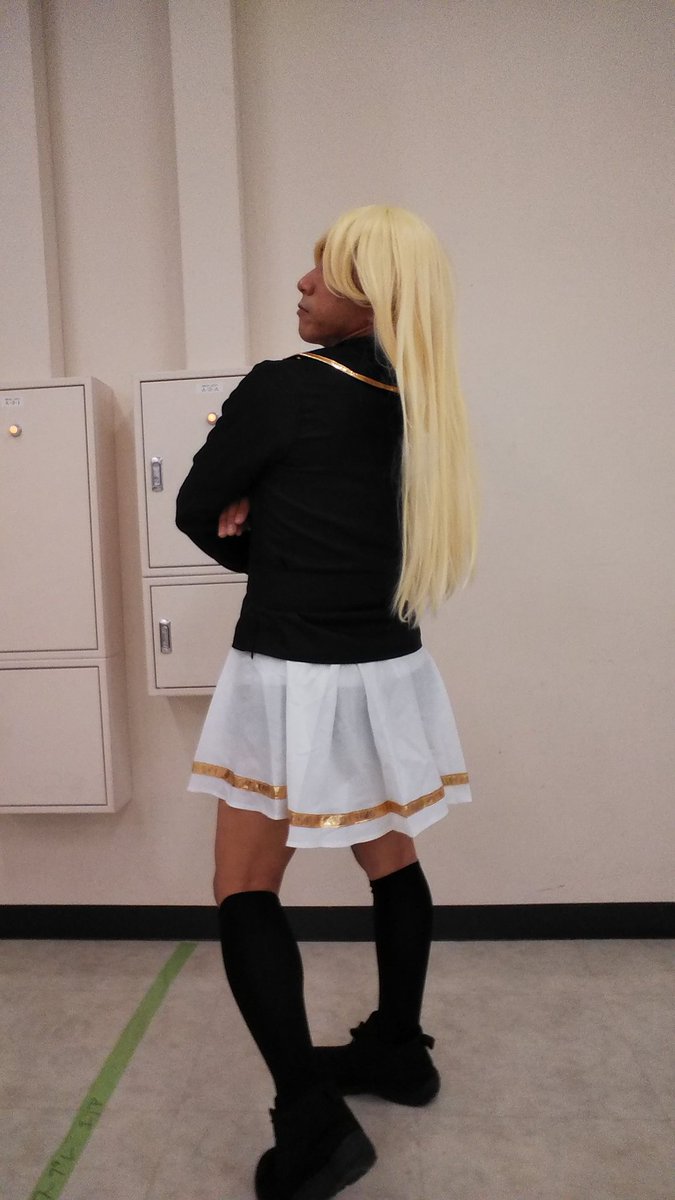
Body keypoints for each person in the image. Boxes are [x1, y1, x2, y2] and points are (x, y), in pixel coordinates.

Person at [175, 204, 477, 1200]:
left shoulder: (286, 388)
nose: (302, 284)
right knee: (391, 858)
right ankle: (398, 1048)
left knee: (243, 886)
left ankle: (310, 1124)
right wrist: (284, 525)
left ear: (373, 297)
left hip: (290, 667)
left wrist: (255, 529)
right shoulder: (422, 403)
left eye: (325, 272)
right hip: (387, 669)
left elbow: (195, 506)